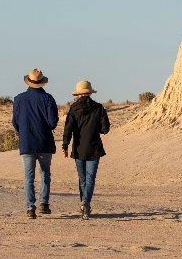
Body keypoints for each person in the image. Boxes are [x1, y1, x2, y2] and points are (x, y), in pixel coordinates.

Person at [12, 68, 59, 219]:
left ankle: (30, 207)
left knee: (28, 176)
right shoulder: (48, 99)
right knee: (45, 173)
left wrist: (24, 131)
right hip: (44, 142)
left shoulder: (19, 99)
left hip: (27, 142)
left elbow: (15, 122)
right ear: (42, 83)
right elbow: (52, 122)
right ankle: (44, 204)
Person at [62, 80, 110, 220]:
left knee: (82, 178)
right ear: (89, 92)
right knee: (90, 178)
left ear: (78, 94)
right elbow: (105, 129)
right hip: (94, 148)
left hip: (78, 149)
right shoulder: (99, 108)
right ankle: (86, 202)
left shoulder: (73, 109)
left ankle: (84, 203)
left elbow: (68, 130)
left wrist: (64, 146)